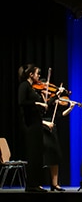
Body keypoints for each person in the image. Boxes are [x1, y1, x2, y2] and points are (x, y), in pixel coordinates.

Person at [17, 64, 48, 192]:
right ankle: (31, 185)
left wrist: (53, 97)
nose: (39, 76)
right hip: (30, 124)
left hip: (36, 123)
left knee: (37, 155)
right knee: (33, 155)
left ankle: (36, 184)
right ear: (31, 75)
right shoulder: (24, 85)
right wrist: (38, 102)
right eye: (37, 73)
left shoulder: (32, 87)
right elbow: (21, 101)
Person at [42, 86, 76, 191]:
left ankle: (55, 184)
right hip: (42, 127)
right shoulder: (39, 99)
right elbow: (45, 107)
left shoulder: (53, 101)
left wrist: (70, 108)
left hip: (52, 127)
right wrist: (57, 93)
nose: (47, 91)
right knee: (44, 156)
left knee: (55, 156)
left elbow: (60, 115)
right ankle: (38, 183)